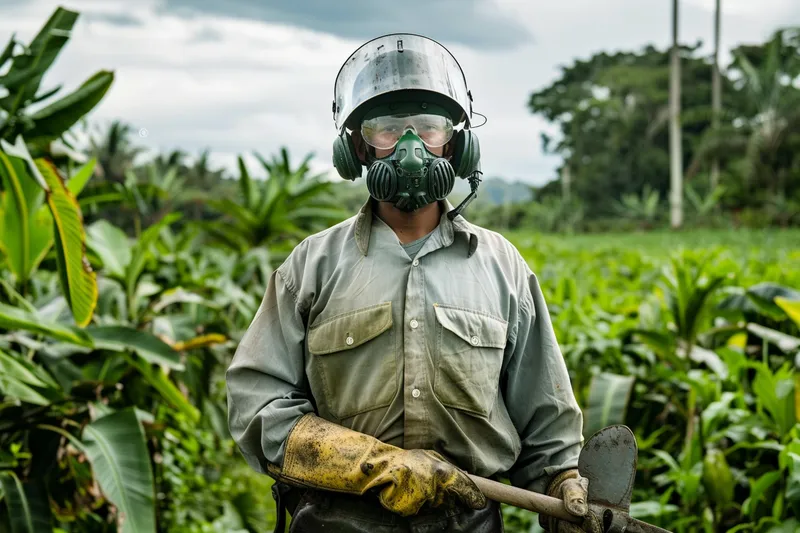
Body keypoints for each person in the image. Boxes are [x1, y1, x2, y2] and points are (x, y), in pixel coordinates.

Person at [226, 33, 600, 533]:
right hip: (339, 521)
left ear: (457, 144)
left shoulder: (503, 268)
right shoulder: (311, 267)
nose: (409, 146)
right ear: (356, 146)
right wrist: (371, 464)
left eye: (428, 126)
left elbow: (547, 427)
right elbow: (257, 405)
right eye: (386, 129)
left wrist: (563, 485)